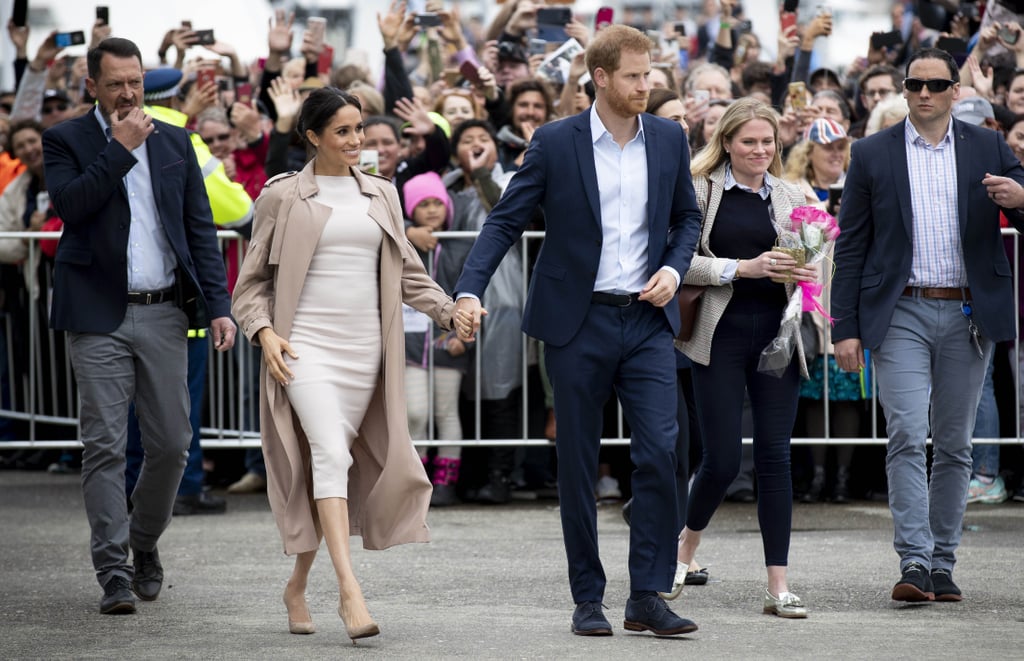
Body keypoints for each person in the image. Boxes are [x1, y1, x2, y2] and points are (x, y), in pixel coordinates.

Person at [454, 25, 701, 637]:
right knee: (577, 464)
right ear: (601, 79)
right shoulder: (555, 142)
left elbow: (686, 218)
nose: (647, 85)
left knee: (661, 453)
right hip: (577, 321)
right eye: (635, 77)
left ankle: (647, 595)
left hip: (646, 318)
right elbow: (504, 222)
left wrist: (673, 267)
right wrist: (468, 288)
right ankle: (587, 596)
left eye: (651, 75)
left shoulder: (669, 139)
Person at [231, 87, 467, 642]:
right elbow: (250, 286)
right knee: (331, 453)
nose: (357, 141)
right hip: (303, 348)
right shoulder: (282, 196)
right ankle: (348, 591)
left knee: (330, 467)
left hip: (366, 351)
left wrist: (449, 310)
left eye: (359, 129)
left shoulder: (383, 194)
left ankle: (297, 584)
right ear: (312, 136)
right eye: (343, 131)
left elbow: (409, 274)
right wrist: (263, 332)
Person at [41, 37, 236, 615]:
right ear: (92, 87)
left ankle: (142, 542)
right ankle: (113, 570)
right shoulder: (66, 139)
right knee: (104, 444)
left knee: (174, 443)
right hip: (97, 313)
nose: (129, 93)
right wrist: (120, 149)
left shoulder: (176, 139)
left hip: (164, 311)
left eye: (136, 81)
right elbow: (72, 207)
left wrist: (220, 305)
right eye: (117, 83)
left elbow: (201, 228)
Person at [832, 47, 1024, 603]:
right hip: (901, 311)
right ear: (904, 88)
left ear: (953, 92)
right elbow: (852, 248)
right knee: (908, 434)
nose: (923, 93)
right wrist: (844, 326)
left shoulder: (987, 145)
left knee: (958, 446)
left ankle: (943, 561)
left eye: (935, 85)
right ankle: (914, 560)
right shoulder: (871, 153)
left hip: (967, 311)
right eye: (914, 83)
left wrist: (1019, 196)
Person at [673, 97, 816, 618]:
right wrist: (743, 268)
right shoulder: (699, 189)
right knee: (722, 461)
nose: (760, 150)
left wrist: (803, 271)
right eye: (749, 141)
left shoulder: (792, 193)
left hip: (778, 337)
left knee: (776, 458)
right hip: (719, 336)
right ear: (727, 143)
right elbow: (680, 263)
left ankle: (778, 584)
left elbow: (817, 264)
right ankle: (687, 542)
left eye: (768, 141)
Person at [401, 171, 467, 507]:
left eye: (436, 203)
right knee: (415, 412)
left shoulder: (459, 246)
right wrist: (406, 232)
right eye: (422, 204)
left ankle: (446, 481)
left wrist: (464, 336)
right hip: (409, 345)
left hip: (447, 344)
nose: (430, 210)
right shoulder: (402, 242)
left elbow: (470, 294)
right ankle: (418, 478)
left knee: (446, 412)